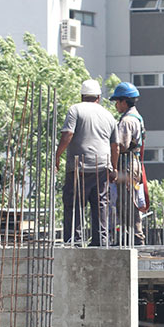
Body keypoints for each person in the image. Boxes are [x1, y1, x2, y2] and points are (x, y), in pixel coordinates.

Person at [55, 79, 116, 246]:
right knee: (100, 204)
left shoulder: (75, 109)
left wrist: (57, 155)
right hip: (101, 167)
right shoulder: (108, 115)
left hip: (78, 167)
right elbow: (115, 146)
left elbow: (67, 135)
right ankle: (100, 241)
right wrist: (114, 169)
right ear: (98, 97)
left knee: (74, 203)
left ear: (82, 96)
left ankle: (74, 241)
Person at [109, 82, 149, 246]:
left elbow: (121, 146)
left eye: (117, 102)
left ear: (124, 101)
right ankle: (131, 236)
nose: (116, 105)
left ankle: (136, 238)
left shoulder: (127, 121)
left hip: (127, 165)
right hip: (134, 164)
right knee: (126, 200)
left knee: (127, 201)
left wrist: (113, 166)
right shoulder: (137, 117)